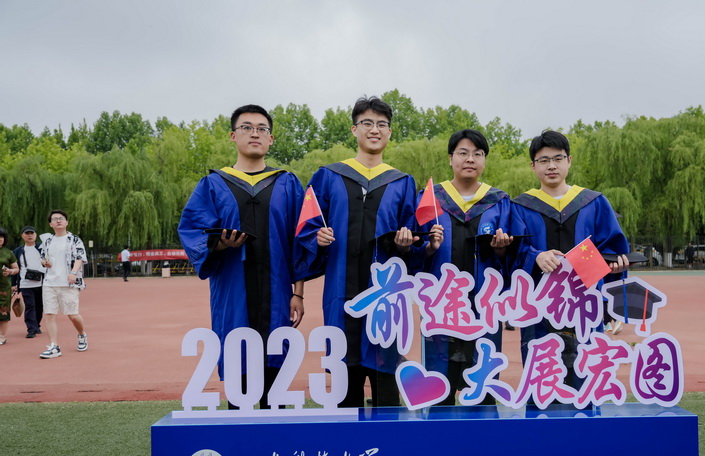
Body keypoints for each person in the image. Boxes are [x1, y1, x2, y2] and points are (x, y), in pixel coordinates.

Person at [178, 104, 306, 409]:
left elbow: (300, 240)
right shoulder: (213, 184)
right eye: (247, 127)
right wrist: (220, 245)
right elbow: (193, 230)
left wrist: (298, 294)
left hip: (278, 295)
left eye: (262, 129)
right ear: (233, 136)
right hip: (232, 294)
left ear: (271, 139)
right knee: (239, 382)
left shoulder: (287, 184)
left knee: (276, 387)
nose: (255, 134)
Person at [296, 96, 417, 408]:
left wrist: (407, 243)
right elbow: (306, 225)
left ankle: (387, 437)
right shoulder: (328, 176)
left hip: (385, 299)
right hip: (341, 291)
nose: (374, 129)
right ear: (354, 129)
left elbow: (413, 234)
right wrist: (316, 237)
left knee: (386, 390)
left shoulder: (402, 182)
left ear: (389, 132)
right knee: (344, 387)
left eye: (381, 124)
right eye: (367, 123)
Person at [511, 130, 629, 390]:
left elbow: (612, 249)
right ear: (533, 166)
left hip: (585, 307)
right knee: (542, 381)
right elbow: (512, 253)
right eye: (543, 160)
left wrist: (615, 272)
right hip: (539, 311)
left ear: (569, 161)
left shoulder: (594, 203)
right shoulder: (520, 206)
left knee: (585, 380)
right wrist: (535, 256)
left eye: (558, 158)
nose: (551, 166)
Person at [411, 129, 513, 405]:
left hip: (484, 308)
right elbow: (412, 251)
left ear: (484, 160)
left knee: (482, 389)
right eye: (463, 153)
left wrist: (502, 249)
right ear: (450, 158)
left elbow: (514, 256)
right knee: (438, 389)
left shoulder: (499, 201)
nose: (470, 159)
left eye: (477, 154)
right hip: (440, 306)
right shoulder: (431, 199)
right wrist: (429, 247)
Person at [38, 210, 89, 359]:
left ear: (66, 222)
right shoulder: (47, 241)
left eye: (61, 218)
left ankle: (82, 334)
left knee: (72, 315)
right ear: (51, 224)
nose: (58, 221)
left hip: (68, 282)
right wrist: (45, 262)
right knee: (49, 314)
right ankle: (54, 346)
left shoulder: (74, 239)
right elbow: (43, 258)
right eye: (55, 219)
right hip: (49, 282)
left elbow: (80, 257)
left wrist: (73, 273)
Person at [12, 226, 44, 338]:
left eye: (32, 233)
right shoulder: (17, 251)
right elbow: (15, 268)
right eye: (27, 233)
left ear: (35, 235)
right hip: (25, 284)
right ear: (22, 235)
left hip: (42, 283)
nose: (30, 235)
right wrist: (13, 284)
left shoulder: (42, 248)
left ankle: (37, 325)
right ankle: (31, 329)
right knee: (30, 306)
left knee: (39, 306)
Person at [0, 227, 21, 346]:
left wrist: (10, 271)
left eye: (1, 237)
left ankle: (2, 336)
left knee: (3, 312)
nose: (0, 239)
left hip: (3, 288)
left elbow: (16, 269)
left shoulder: (8, 253)